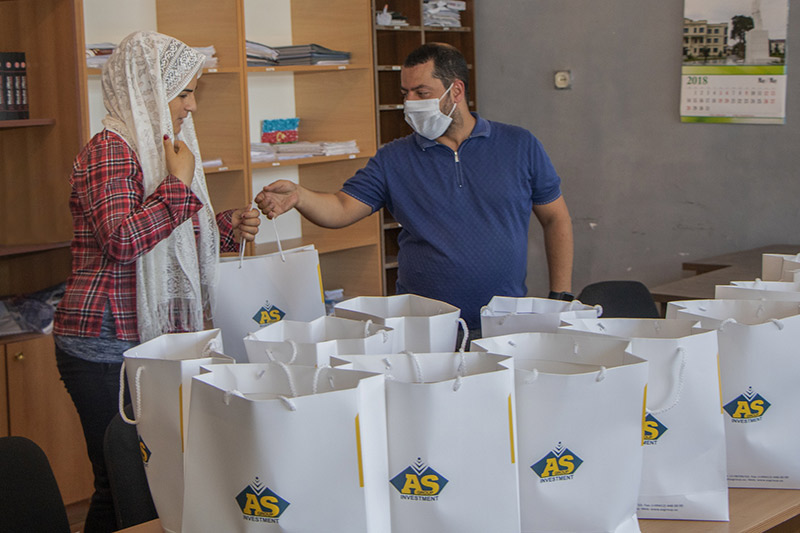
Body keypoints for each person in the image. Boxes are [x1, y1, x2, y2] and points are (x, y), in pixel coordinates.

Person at [53, 31, 260, 532]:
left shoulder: (155, 148)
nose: (191, 106)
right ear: (147, 89)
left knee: (144, 479)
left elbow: (170, 241)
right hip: (105, 341)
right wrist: (177, 186)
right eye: (183, 93)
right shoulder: (111, 150)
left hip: (144, 339)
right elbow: (122, 240)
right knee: (122, 480)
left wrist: (226, 226)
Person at [256, 43, 573, 338]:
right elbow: (341, 208)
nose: (411, 103)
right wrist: (299, 196)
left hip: (504, 323)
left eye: (422, 92)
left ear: (456, 91)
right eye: (406, 93)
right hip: (424, 328)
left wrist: (561, 297)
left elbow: (555, 219)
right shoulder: (393, 158)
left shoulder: (519, 145)